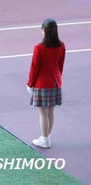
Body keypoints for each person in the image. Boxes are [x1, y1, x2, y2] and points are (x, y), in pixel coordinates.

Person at [27, 18, 66, 149]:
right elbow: (60, 65)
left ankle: (44, 139)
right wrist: (58, 78)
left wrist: (30, 83)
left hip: (42, 83)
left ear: (43, 31)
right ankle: (47, 136)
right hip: (55, 82)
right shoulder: (61, 45)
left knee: (42, 112)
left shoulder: (39, 47)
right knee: (51, 111)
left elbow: (34, 67)